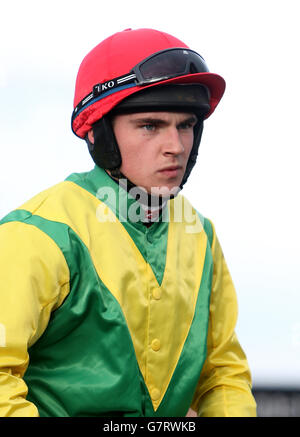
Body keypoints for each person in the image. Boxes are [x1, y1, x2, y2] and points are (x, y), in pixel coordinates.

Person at [0, 28, 257, 417]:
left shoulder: (200, 234)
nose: (176, 146)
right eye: (150, 125)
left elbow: (222, 375)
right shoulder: (36, 234)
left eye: (186, 125)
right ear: (98, 133)